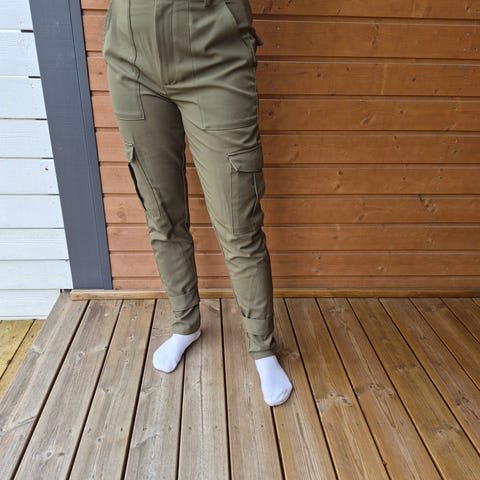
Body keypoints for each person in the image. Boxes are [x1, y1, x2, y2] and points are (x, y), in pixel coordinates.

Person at [102, 0, 292, 406]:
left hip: (215, 53)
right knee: (162, 212)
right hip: (132, 56)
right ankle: (185, 322)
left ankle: (262, 346)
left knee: (239, 221)